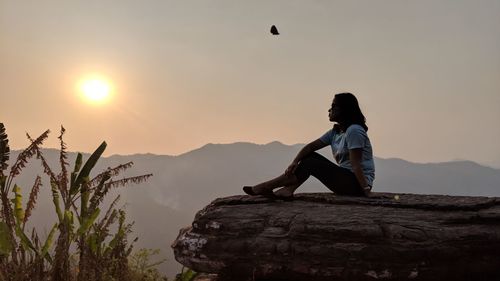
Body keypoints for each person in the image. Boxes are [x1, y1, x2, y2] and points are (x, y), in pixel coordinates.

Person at [243, 92, 375, 199]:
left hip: (357, 183)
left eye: (334, 106)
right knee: (309, 156)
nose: (330, 109)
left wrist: (366, 190)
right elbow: (310, 147)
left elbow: (356, 164)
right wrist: (294, 162)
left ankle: (267, 186)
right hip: (346, 179)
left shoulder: (354, 130)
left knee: (310, 163)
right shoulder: (336, 132)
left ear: (344, 109)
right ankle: (288, 190)